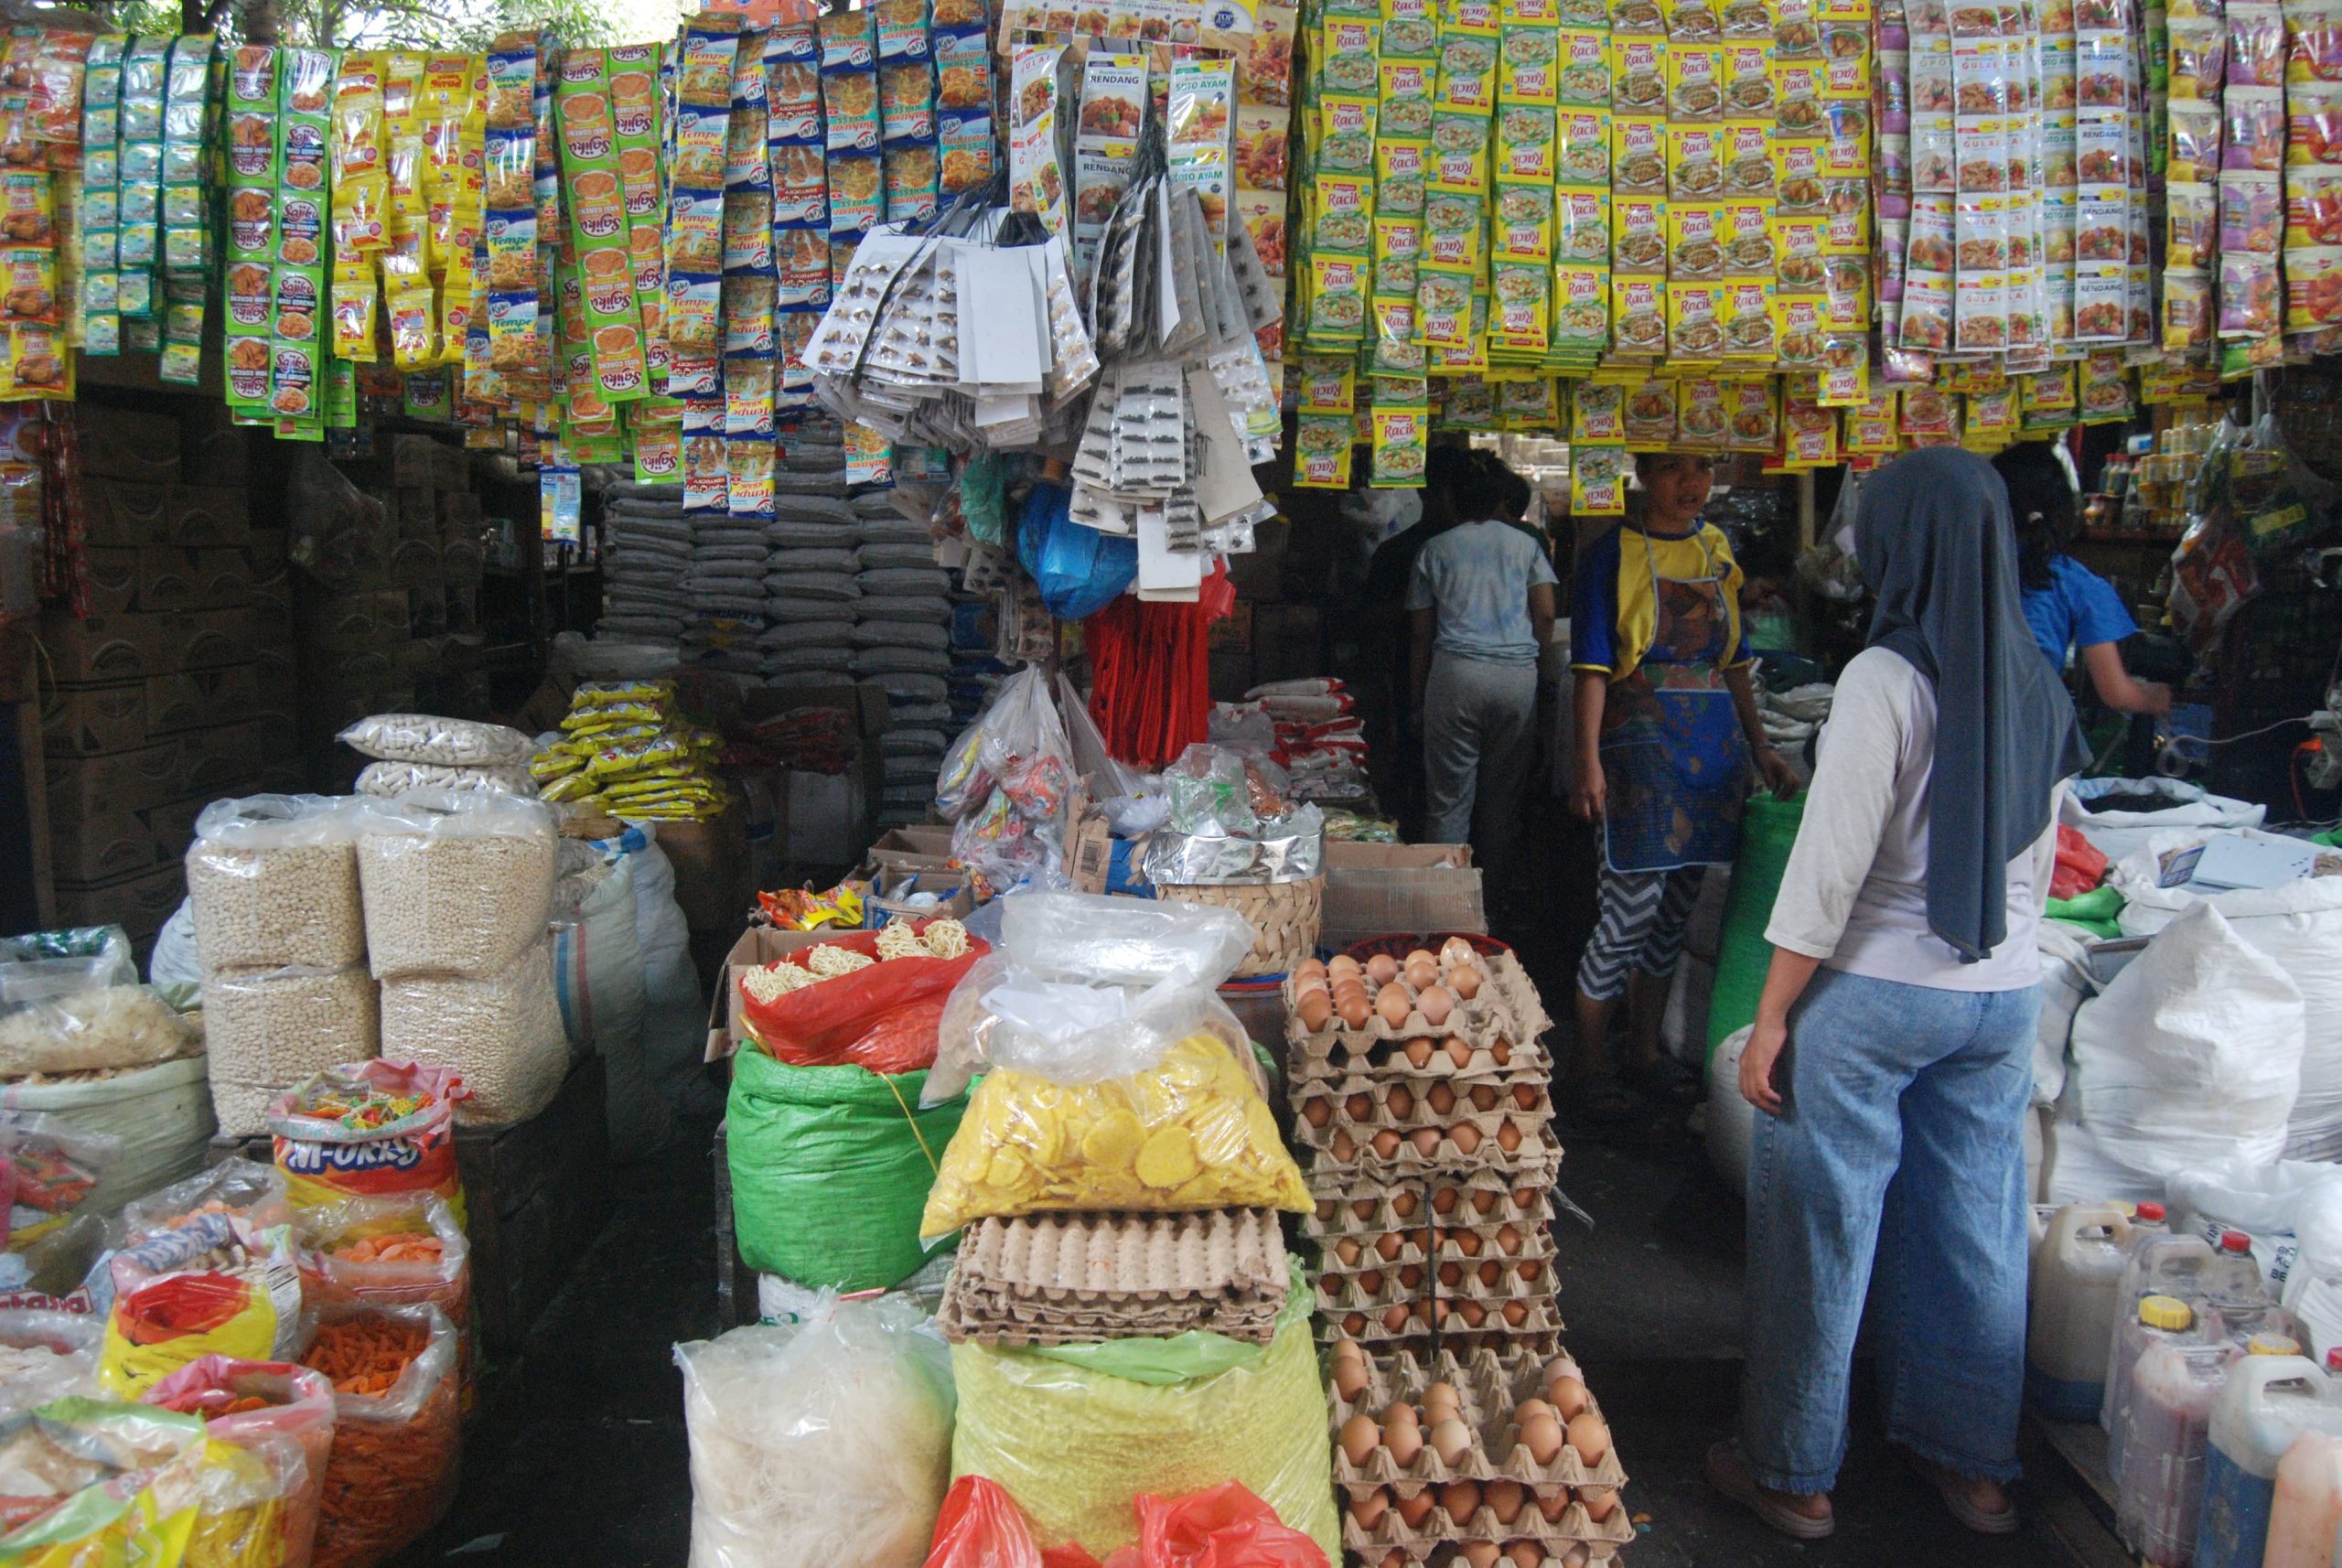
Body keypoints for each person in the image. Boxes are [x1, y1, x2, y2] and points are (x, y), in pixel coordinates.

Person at [1705, 446, 2090, 1542]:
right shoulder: (2034, 670)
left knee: (1819, 1225)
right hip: (2002, 994)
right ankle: (1972, 1467)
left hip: (1877, 993)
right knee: (1973, 1226)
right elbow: (2045, 849)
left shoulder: (1884, 677)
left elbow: (1828, 872)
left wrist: (1772, 1016)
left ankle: (1790, 1469)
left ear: (1905, 545)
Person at [1567, 452, 1797, 1118]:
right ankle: (1585, 1066)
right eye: (1674, 468)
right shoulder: (1613, 552)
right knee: (1626, 914)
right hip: (1638, 746)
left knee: (1675, 913)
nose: (1692, 483)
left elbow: (1734, 663)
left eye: (1702, 467)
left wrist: (1762, 747)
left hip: (1713, 752)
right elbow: (1590, 667)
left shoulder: (1716, 548)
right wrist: (1588, 761)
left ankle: (1642, 1053)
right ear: (1642, 473)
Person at [1406, 450, 1558, 887]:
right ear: (1497, 502)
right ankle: (1495, 901)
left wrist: (1418, 704)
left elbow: (1421, 635)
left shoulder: (1434, 548)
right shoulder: (1526, 545)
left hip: (1456, 676)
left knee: (1448, 800)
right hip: (1515, 678)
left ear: (1452, 500)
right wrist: (1533, 664)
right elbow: (1545, 614)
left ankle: (1447, 900)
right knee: (1502, 799)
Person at [1993, 442, 2172, 717]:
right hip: (2025, 728)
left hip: (1952, 722)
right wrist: (2154, 698)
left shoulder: (1965, 569)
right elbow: (2117, 694)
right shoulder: (2077, 582)